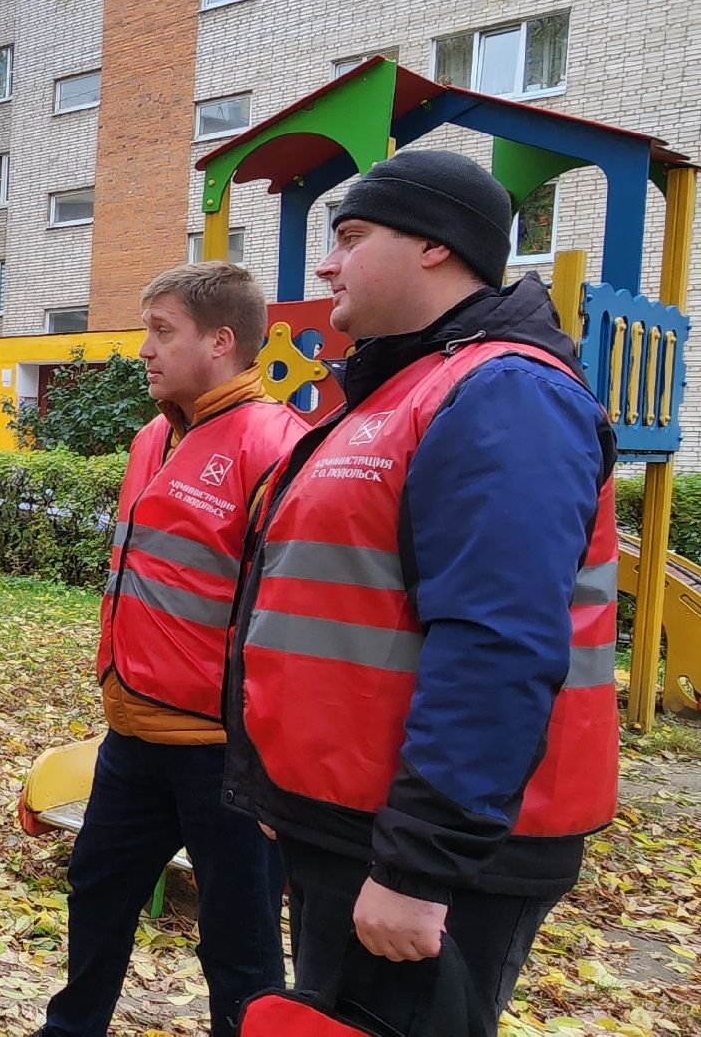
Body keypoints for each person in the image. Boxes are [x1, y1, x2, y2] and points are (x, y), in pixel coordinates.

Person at [224, 149, 619, 1036]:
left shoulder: (503, 394)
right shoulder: (402, 388)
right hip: (359, 825)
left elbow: (497, 644)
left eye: (352, 236)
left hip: (425, 856)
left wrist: (418, 867)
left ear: (437, 247)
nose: (326, 262)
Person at [33, 263, 305, 1037]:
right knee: (97, 892)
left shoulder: (277, 445)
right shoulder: (154, 434)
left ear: (221, 342)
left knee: (242, 943)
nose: (143, 350)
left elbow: (287, 620)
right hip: (135, 731)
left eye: (161, 332)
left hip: (228, 754)